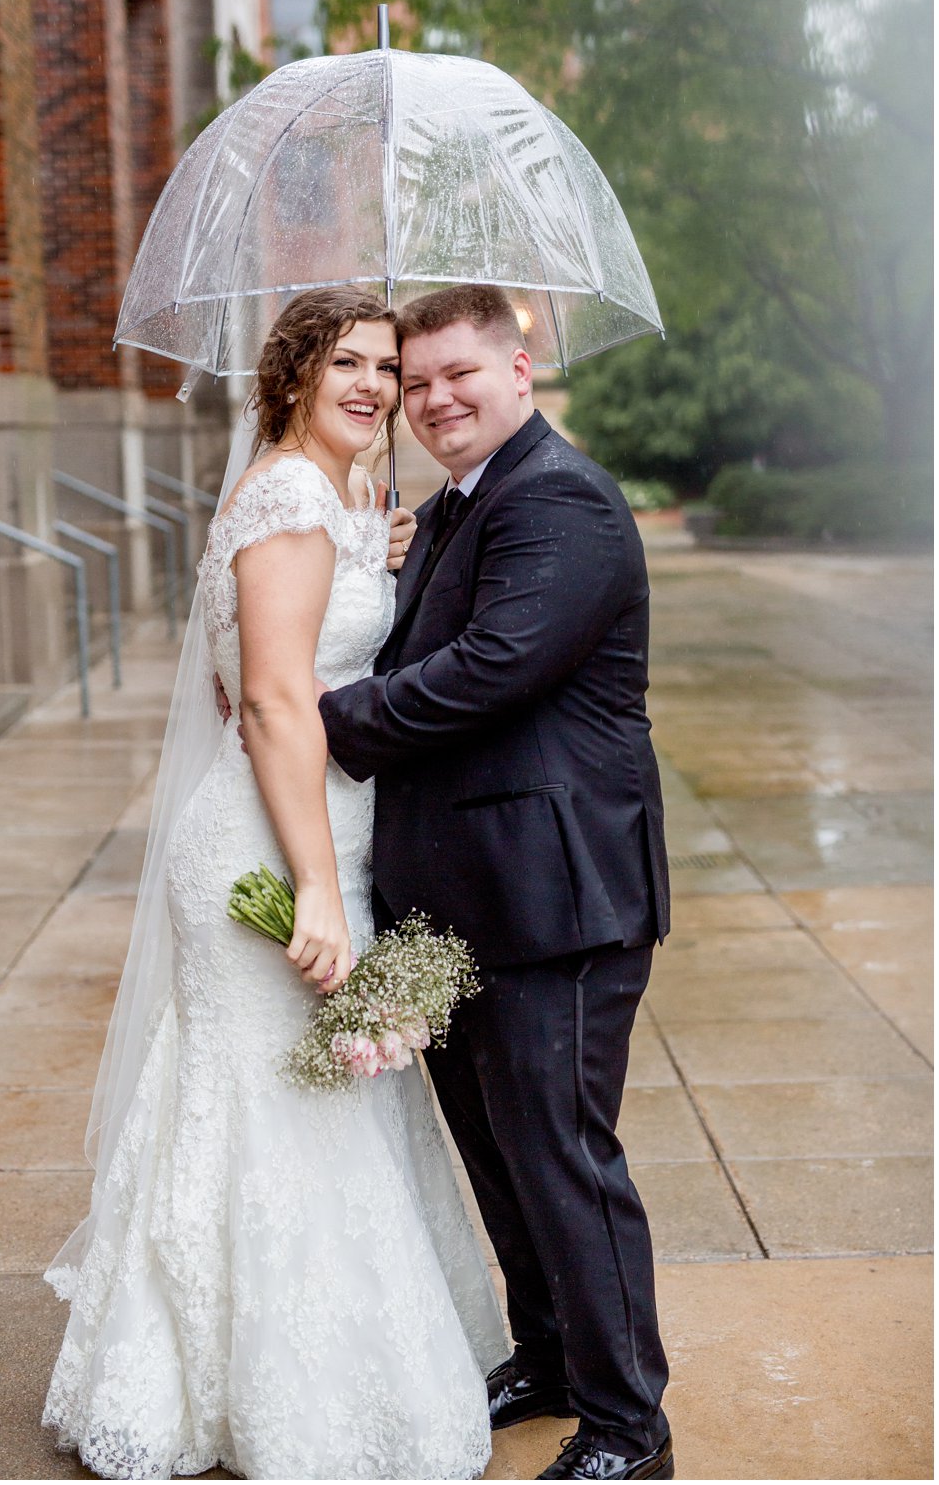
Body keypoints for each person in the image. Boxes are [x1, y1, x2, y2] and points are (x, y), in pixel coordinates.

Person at [42, 286, 509, 1481]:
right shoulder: (296, 494)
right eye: (346, 362)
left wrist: (376, 552)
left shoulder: (324, 497)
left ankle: (215, 1367)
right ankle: (275, 1393)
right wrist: (314, 885)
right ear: (295, 372)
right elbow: (267, 700)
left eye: (387, 371)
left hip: (311, 826)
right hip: (272, 845)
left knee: (285, 1099)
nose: (373, 386)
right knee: (283, 1106)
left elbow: (290, 643)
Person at [317, 285, 674, 1483]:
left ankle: (629, 1427)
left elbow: (492, 667)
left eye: (458, 373)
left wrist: (324, 722)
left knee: (562, 1155)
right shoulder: (456, 507)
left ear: (520, 370)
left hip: (553, 900)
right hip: (458, 896)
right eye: (414, 385)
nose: (433, 400)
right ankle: (551, 1353)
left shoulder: (560, 498)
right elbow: (430, 632)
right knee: (496, 1150)